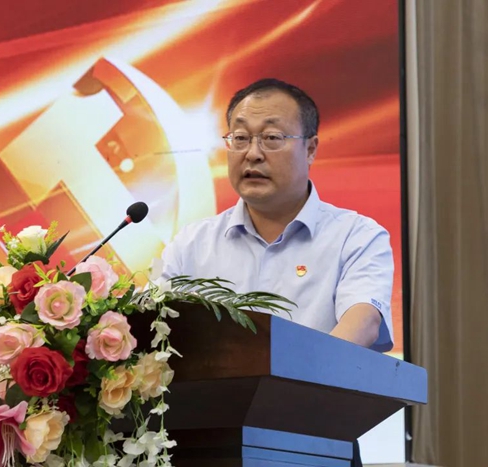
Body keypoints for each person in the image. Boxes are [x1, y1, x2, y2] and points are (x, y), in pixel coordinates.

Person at [160, 78, 395, 467]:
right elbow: (155, 331)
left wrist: (286, 394)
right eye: (240, 138)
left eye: (271, 138)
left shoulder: (355, 235)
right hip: (204, 445)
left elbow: (364, 321)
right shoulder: (192, 244)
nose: (252, 154)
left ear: (311, 148)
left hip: (316, 441)